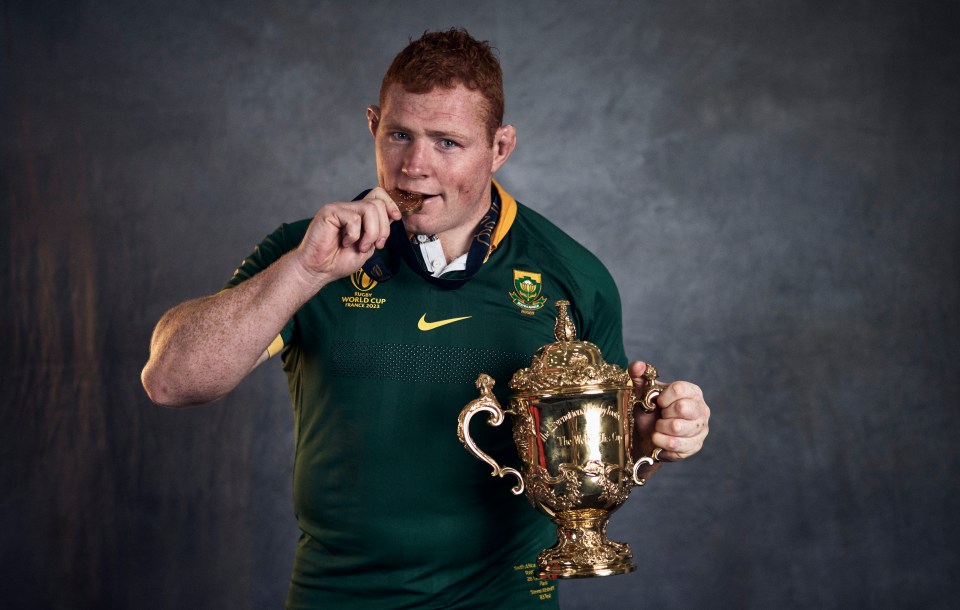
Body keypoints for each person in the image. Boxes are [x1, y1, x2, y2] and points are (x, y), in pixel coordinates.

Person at [142, 28, 710, 609]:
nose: (414, 166)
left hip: (506, 597)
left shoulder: (573, 275)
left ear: (500, 147)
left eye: (446, 143)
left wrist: (650, 438)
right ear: (372, 125)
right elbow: (171, 380)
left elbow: (593, 467)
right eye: (399, 135)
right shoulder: (306, 251)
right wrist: (307, 273)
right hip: (338, 595)